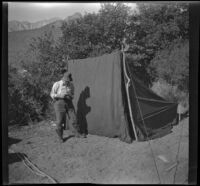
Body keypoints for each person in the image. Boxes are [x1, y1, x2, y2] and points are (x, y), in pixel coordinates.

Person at [50, 69, 86, 142]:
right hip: (59, 103)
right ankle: (60, 137)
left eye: (68, 80)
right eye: (66, 80)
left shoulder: (71, 85)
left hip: (69, 102)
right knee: (59, 121)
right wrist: (60, 95)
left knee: (74, 118)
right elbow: (52, 94)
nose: (67, 81)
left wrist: (70, 96)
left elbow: (73, 94)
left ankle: (77, 133)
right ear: (63, 78)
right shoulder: (57, 84)